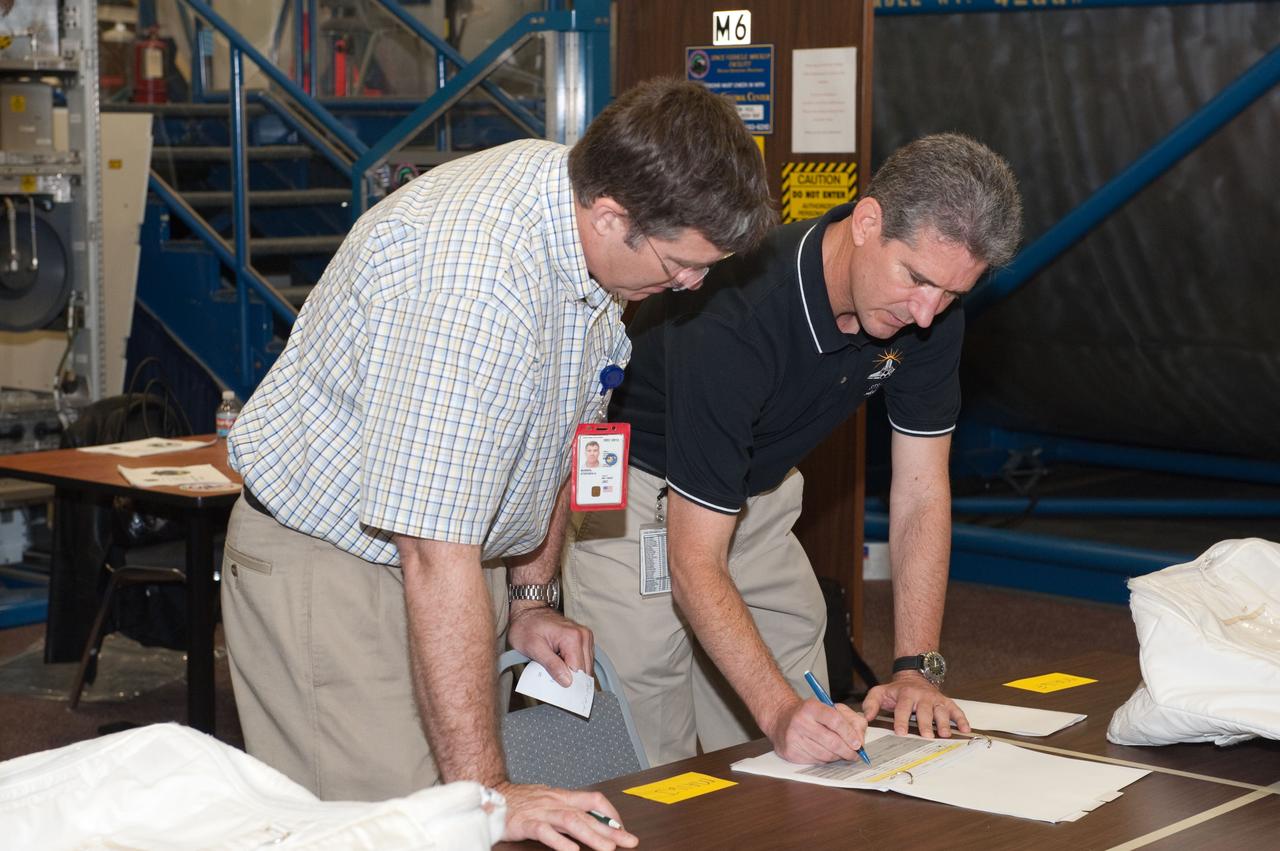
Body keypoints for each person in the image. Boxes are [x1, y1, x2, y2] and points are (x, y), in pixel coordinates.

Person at [222, 77, 774, 850]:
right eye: (683, 263)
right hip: (341, 566)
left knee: (456, 812)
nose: (693, 285)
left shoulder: (584, 222)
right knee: (395, 828)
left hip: (446, 561)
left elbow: (560, 429)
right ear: (612, 216)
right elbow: (432, 547)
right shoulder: (476, 281)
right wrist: (489, 794)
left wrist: (531, 597)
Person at [564, 133, 1023, 768]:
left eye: (952, 294)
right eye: (916, 279)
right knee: (650, 743)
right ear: (867, 222)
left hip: (757, 493)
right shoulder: (736, 312)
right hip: (638, 493)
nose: (927, 314)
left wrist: (915, 667)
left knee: (812, 739)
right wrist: (777, 710)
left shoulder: (931, 310)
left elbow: (921, 491)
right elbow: (695, 561)